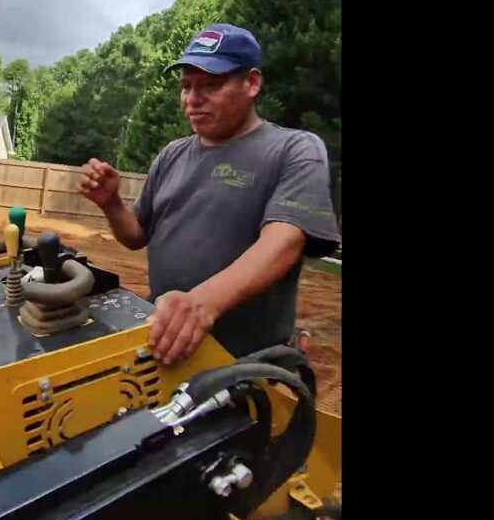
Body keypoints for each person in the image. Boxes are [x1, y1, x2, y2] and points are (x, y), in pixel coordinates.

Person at [77, 23, 341, 365]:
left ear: (252, 83)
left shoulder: (294, 149)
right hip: (169, 344)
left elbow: (284, 242)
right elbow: (135, 235)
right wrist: (111, 203)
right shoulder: (171, 155)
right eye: (186, 86)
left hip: (247, 365)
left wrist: (201, 304)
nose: (192, 99)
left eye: (211, 85)